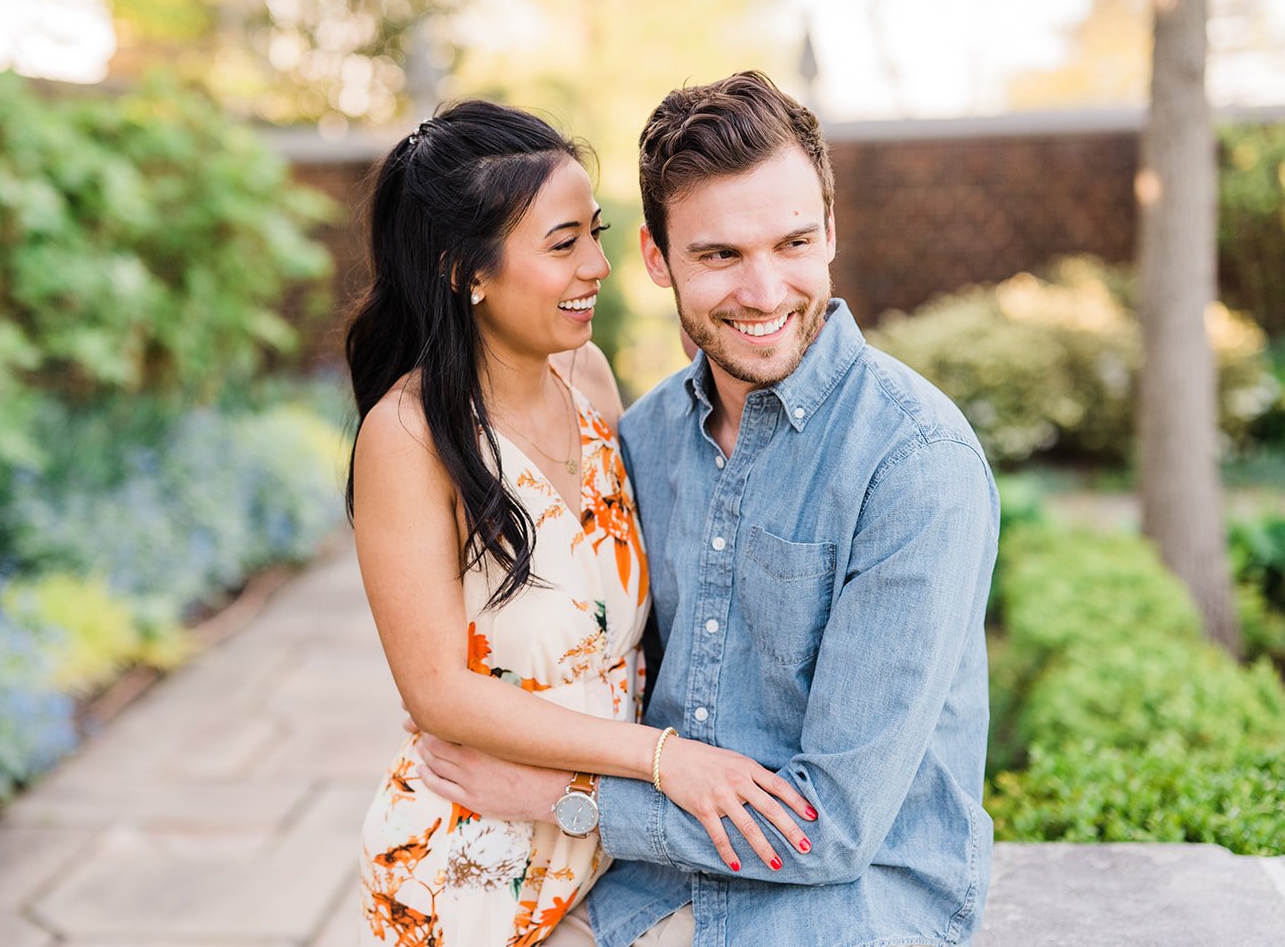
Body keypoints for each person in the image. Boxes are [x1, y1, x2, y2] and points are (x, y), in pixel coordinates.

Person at [413, 71, 1000, 947]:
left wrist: (555, 797)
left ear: (830, 233)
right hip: (650, 883)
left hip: (848, 905)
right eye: (720, 255)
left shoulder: (915, 465)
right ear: (657, 259)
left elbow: (831, 826)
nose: (764, 292)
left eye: (793, 243)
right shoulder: (642, 440)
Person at [345, 100, 816, 947]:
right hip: (474, 861)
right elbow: (438, 691)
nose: (600, 265)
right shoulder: (407, 435)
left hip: (613, 853)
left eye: (593, 233)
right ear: (467, 270)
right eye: (563, 245)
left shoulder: (586, 376)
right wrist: (665, 760)